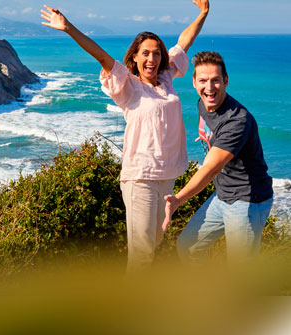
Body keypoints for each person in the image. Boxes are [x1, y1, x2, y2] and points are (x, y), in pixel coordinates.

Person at [41, 1, 209, 271]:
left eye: (156, 53)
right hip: (140, 176)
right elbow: (102, 56)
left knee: (154, 241)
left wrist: (203, 13)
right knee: (141, 254)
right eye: (145, 53)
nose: (151, 59)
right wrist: (68, 28)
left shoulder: (166, 78)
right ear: (134, 58)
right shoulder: (127, 85)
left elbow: (184, 42)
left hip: (167, 175)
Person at [162, 51, 273, 264]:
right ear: (194, 82)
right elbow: (212, 131)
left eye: (216, 81)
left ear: (226, 81)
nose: (209, 88)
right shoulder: (203, 103)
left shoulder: (237, 121)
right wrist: (207, 139)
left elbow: (210, 169)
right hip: (222, 195)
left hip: (247, 200)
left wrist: (177, 200)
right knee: (188, 246)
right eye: (203, 81)